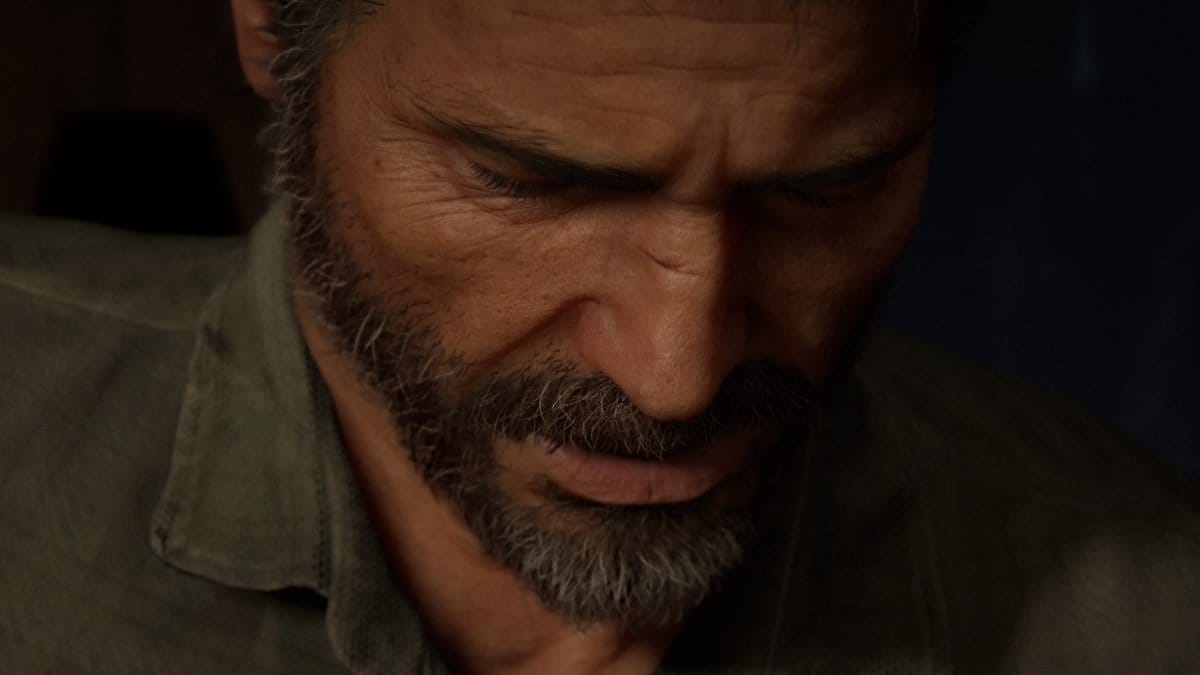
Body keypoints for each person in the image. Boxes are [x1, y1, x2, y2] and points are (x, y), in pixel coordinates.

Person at [2, 1, 1198, 673]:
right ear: (271, 31)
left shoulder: (1150, 610)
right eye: (529, 182)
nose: (677, 375)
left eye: (822, 192)